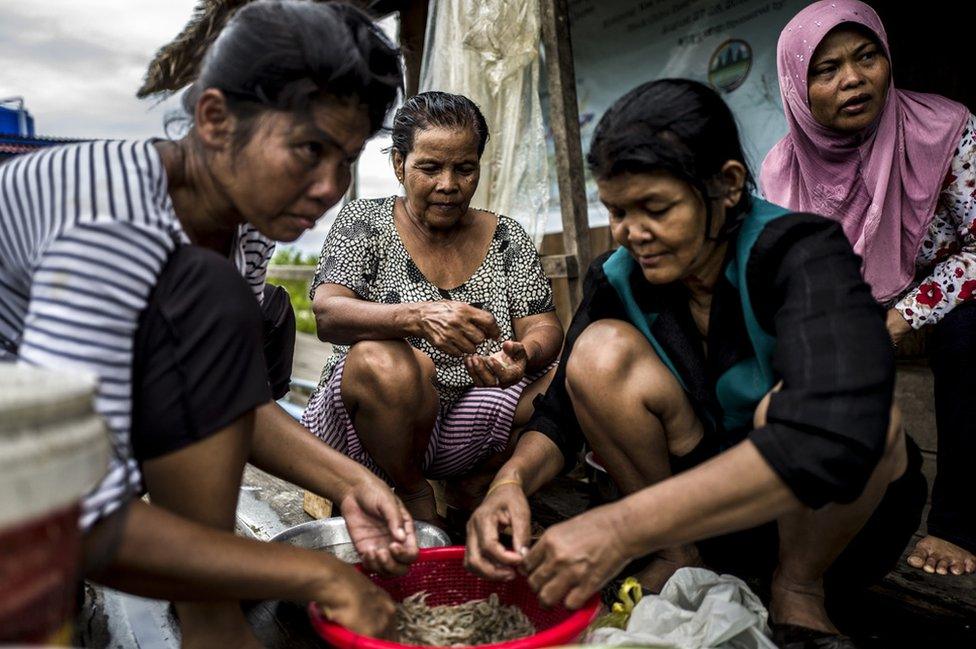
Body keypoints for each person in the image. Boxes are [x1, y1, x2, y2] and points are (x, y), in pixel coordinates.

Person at [0, 2, 418, 646]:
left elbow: (223, 401)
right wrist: (316, 575)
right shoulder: (109, 217)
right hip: (25, 475)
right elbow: (67, 514)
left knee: (234, 311)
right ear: (216, 119)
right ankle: (210, 616)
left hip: (50, 432)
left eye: (347, 160)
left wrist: (351, 479)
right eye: (310, 149)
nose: (330, 186)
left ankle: (207, 617)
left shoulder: (242, 224)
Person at [464, 79, 927, 648]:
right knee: (596, 354)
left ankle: (798, 593)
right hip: (698, 523)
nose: (631, 234)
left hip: (836, 529)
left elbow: (829, 435)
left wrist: (619, 527)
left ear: (727, 186)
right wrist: (508, 483)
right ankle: (678, 561)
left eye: (655, 209)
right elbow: (561, 412)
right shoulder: (619, 275)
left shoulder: (802, 253)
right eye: (617, 211)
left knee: (860, 419)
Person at [760, 0, 976, 577]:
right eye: (825, 69)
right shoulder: (780, 170)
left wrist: (904, 315)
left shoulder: (947, 129)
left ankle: (955, 524)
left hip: (946, 299)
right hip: (846, 312)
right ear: (796, 86)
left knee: (971, 334)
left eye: (866, 56)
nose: (852, 79)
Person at [302, 91, 563, 528]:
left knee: (572, 375)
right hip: (372, 428)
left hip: (470, 418)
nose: (448, 184)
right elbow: (328, 314)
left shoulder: (507, 237)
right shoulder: (365, 222)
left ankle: (478, 482)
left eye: (464, 168)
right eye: (430, 168)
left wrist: (524, 355)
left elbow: (543, 326)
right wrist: (418, 317)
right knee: (382, 360)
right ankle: (411, 489)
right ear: (399, 165)